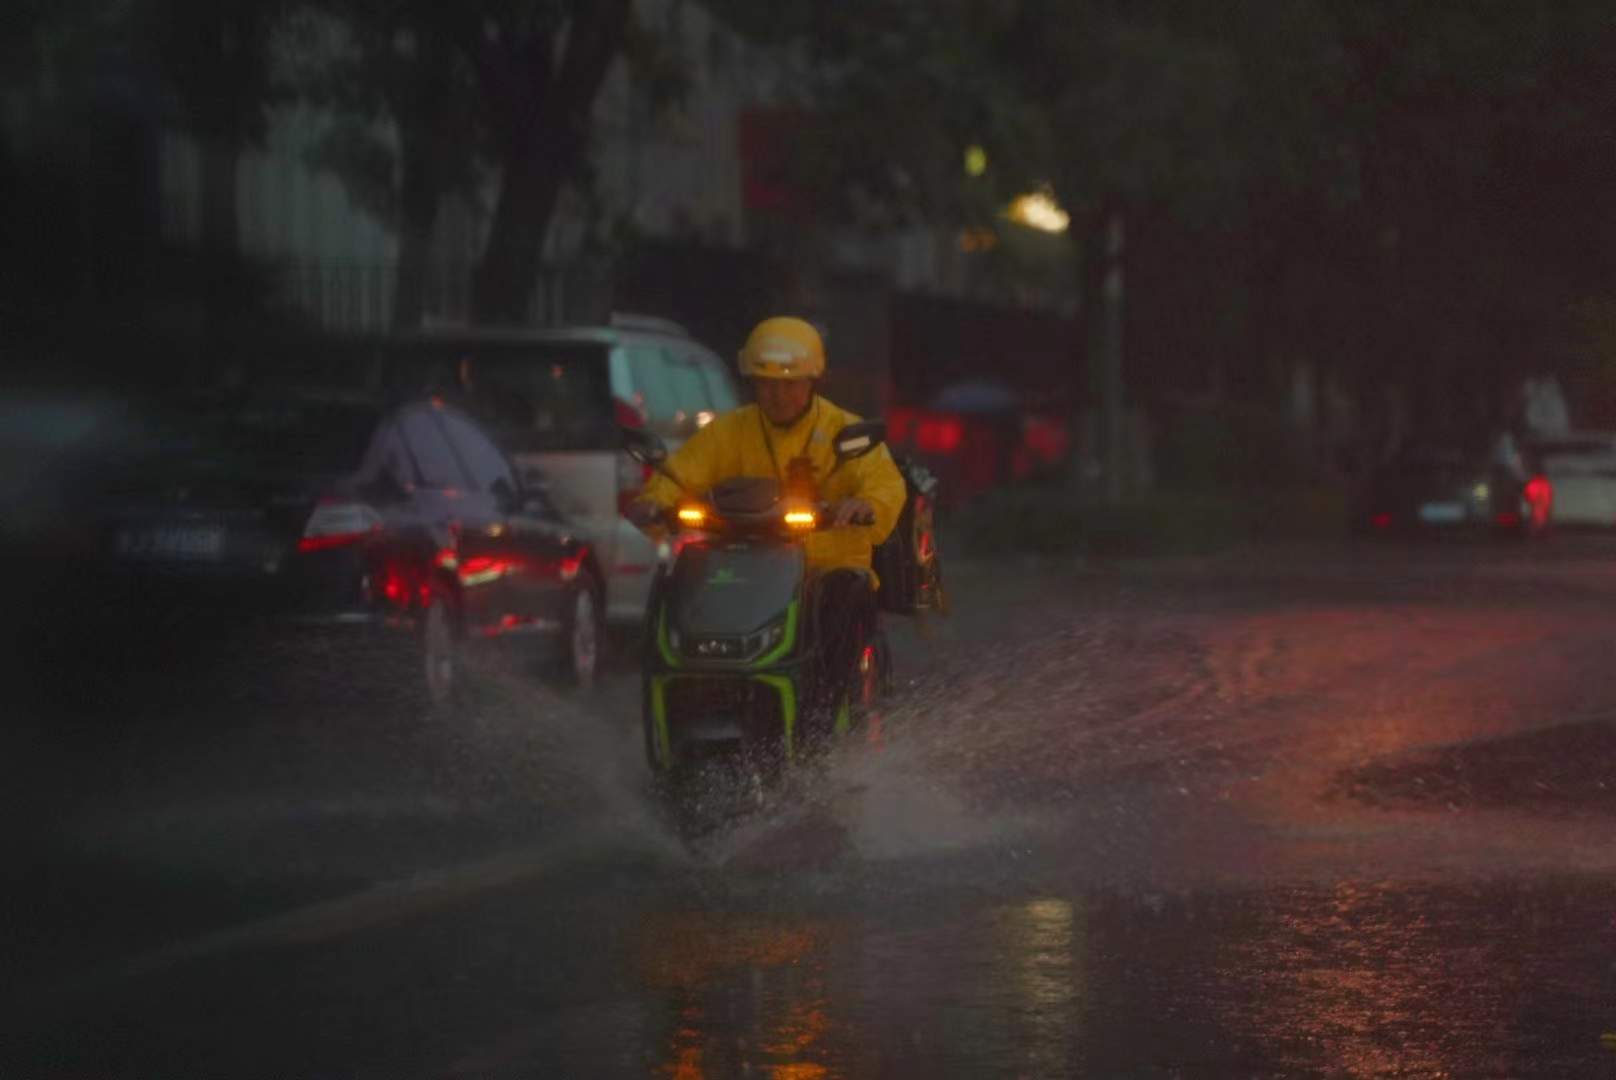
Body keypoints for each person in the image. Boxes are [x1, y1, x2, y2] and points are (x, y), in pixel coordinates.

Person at [628, 316, 906, 720]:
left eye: (789, 384)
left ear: (813, 380)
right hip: (746, 564)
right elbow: (680, 474)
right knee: (684, 588)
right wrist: (654, 502)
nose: (776, 395)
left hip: (824, 567)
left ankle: (834, 713)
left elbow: (884, 484)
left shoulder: (842, 430)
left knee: (845, 593)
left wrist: (865, 506)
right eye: (766, 383)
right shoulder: (730, 431)